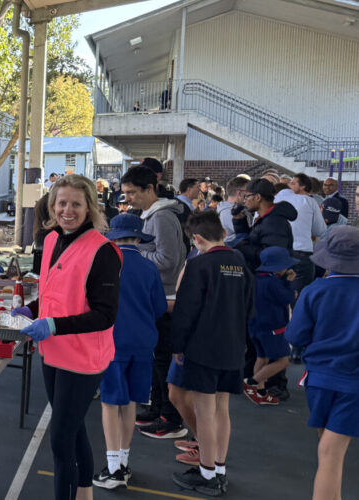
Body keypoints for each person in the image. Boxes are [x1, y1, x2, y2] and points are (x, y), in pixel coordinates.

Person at [12, 174, 122, 500]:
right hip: (52, 352)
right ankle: (85, 492)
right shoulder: (51, 240)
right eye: (62, 203)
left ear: (90, 207)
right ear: (52, 205)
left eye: (76, 204)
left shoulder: (103, 251)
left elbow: (105, 314)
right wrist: (33, 309)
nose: (67, 210)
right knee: (73, 430)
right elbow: (52, 292)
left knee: (60, 440)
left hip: (83, 358)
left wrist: (53, 325)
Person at [169, 211, 254, 495]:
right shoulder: (241, 263)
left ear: (196, 239)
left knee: (204, 412)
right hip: (233, 347)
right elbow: (249, 307)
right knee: (222, 410)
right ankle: (219, 468)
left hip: (203, 348)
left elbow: (185, 311)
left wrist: (177, 346)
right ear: (223, 233)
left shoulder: (198, 265)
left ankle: (206, 474)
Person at [92, 214, 167, 490]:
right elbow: (160, 308)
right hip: (144, 344)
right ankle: (123, 461)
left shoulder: (108, 265)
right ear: (138, 237)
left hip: (112, 342)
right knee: (131, 402)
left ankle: (113, 467)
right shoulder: (149, 268)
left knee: (110, 403)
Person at [286, 226, 359, 500]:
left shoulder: (314, 290)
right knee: (332, 453)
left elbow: (295, 336)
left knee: (326, 449)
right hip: (354, 384)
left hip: (319, 379)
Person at [120, 166, 188, 439]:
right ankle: (158, 408)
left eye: (132, 193)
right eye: (125, 193)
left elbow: (168, 261)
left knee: (163, 360)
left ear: (149, 188)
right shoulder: (151, 215)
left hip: (166, 297)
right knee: (156, 358)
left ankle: (169, 417)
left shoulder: (162, 218)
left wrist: (133, 253)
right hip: (155, 295)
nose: (128, 199)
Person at [243, 247, 297, 406]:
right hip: (273, 328)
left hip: (255, 326)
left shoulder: (256, 279)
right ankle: (252, 383)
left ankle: (260, 392)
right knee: (283, 361)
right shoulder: (273, 282)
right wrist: (288, 283)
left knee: (262, 358)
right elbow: (287, 298)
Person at [276, 173, 328, 292]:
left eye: (293, 183)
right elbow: (320, 230)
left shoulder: (275, 200)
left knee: (278, 293)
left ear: (303, 186)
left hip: (278, 252)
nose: (289, 185)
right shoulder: (309, 202)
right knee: (300, 294)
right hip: (301, 252)